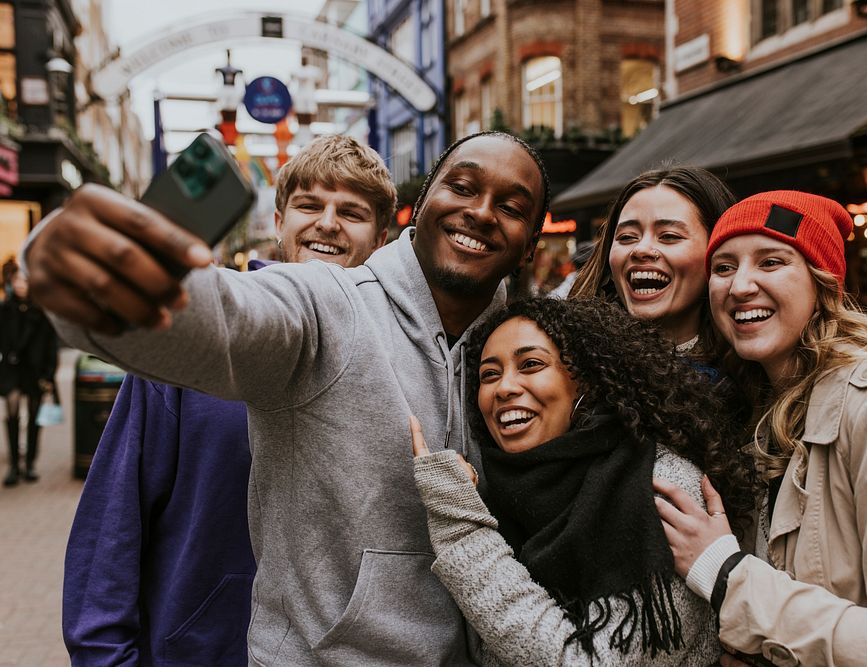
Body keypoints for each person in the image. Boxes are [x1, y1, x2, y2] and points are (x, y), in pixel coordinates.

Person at [26, 131, 550, 665]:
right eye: (461, 187)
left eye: (510, 206)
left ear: (532, 241)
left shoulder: (520, 351)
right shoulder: (326, 303)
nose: (482, 211)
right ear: (424, 207)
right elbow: (225, 316)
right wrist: (95, 286)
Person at [61, 134, 396, 666]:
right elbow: (112, 525)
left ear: (382, 239)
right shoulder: (197, 347)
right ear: (280, 220)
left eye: (350, 212)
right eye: (310, 205)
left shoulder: (396, 364)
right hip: (195, 651)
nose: (327, 222)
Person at [655, 190, 867, 666]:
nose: (740, 285)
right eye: (724, 267)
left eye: (771, 261)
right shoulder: (769, 411)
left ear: (824, 283)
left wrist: (726, 575)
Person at [410, 297, 750, 665]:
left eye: (531, 365)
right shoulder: (500, 496)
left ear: (584, 381)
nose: (505, 387)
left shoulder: (660, 485)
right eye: (489, 374)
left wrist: (462, 531)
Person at [571, 166, 736, 365]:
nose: (641, 249)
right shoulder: (570, 361)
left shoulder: (756, 374)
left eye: (668, 236)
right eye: (627, 237)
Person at [0, 268, 59, 485]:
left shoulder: (42, 312)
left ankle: (31, 463)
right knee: (12, 410)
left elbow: (51, 346)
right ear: (11, 283)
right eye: (17, 280)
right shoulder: (5, 309)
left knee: (35, 415)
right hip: (11, 370)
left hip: (35, 371)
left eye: (25, 280)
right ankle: (14, 465)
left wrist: (49, 374)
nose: (21, 284)